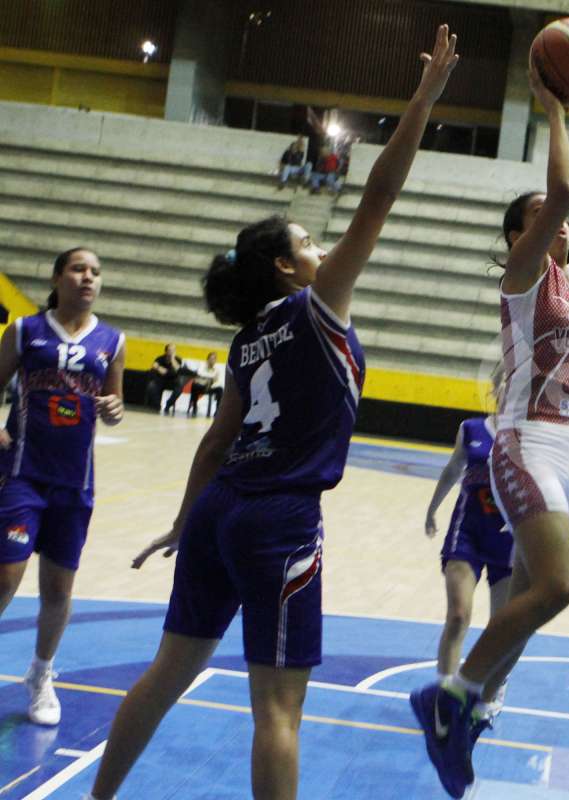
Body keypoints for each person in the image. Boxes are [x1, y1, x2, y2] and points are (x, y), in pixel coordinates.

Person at [85, 25, 459, 800]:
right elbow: (380, 196)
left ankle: (97, 797)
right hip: (280, 520)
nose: (325, 247)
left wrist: (186, 521)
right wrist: (421, 101)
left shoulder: (247, 341)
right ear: (289, 268)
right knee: (279, 711)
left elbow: (216, 443)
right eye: (310, 241)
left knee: (166, 673)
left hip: (223, 512)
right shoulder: (316, 310)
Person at [410, 78, 569, 799]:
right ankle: (449, 696)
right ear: (518, 237)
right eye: (533, 217)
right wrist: (555, 110)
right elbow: (567, 193)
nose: (548, 221)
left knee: (527, 606)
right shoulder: (524, 278)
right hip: (528, 440)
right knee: (559, 585)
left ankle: (470, 716)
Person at [0, 246, 125, 726]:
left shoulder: (112, 341)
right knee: (6, 575)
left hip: (75, 482)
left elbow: (114, 403)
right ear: (57, 278)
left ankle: (41, 673)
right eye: (78, 269)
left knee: (58, 588)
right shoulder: (24, 331)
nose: (88, 278)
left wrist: (113, 410)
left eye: (96, 271)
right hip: (22, 473)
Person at [424, 402, 513, 724]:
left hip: (510, 540)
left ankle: (495, 685)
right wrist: (432, 508)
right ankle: (445, 700)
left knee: (502, 627)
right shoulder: (471, 429)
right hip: (468, 533)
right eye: (504, 381)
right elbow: (452, 469)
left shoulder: (533, 436)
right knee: (458, 616)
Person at [144, 343, 182, 412]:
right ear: (166, 351)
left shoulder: (178, 359)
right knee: (151, 386)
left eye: (173, 350)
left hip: (172, 381)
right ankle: (157, 406)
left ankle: (168, 405)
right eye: (170, 350)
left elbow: (177, 369)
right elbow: (154, 366)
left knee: (179, 389)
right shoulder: (160, 358)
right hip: (160, 380)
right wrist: (160, 369)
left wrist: (172, 359)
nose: (172, 352)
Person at [186, 351, 224, 417]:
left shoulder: (217, 369)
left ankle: (217, 411)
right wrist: (210, 378)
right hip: (200, 387)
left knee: (220, 389)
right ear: (207, 359)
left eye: (214, 359)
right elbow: (200, 373)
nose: (212, 361)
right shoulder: (202, 365)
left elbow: (217, 381)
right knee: (195, 385)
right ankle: (194, 407)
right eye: (211, 359)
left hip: (209, 387)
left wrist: (207, 379)